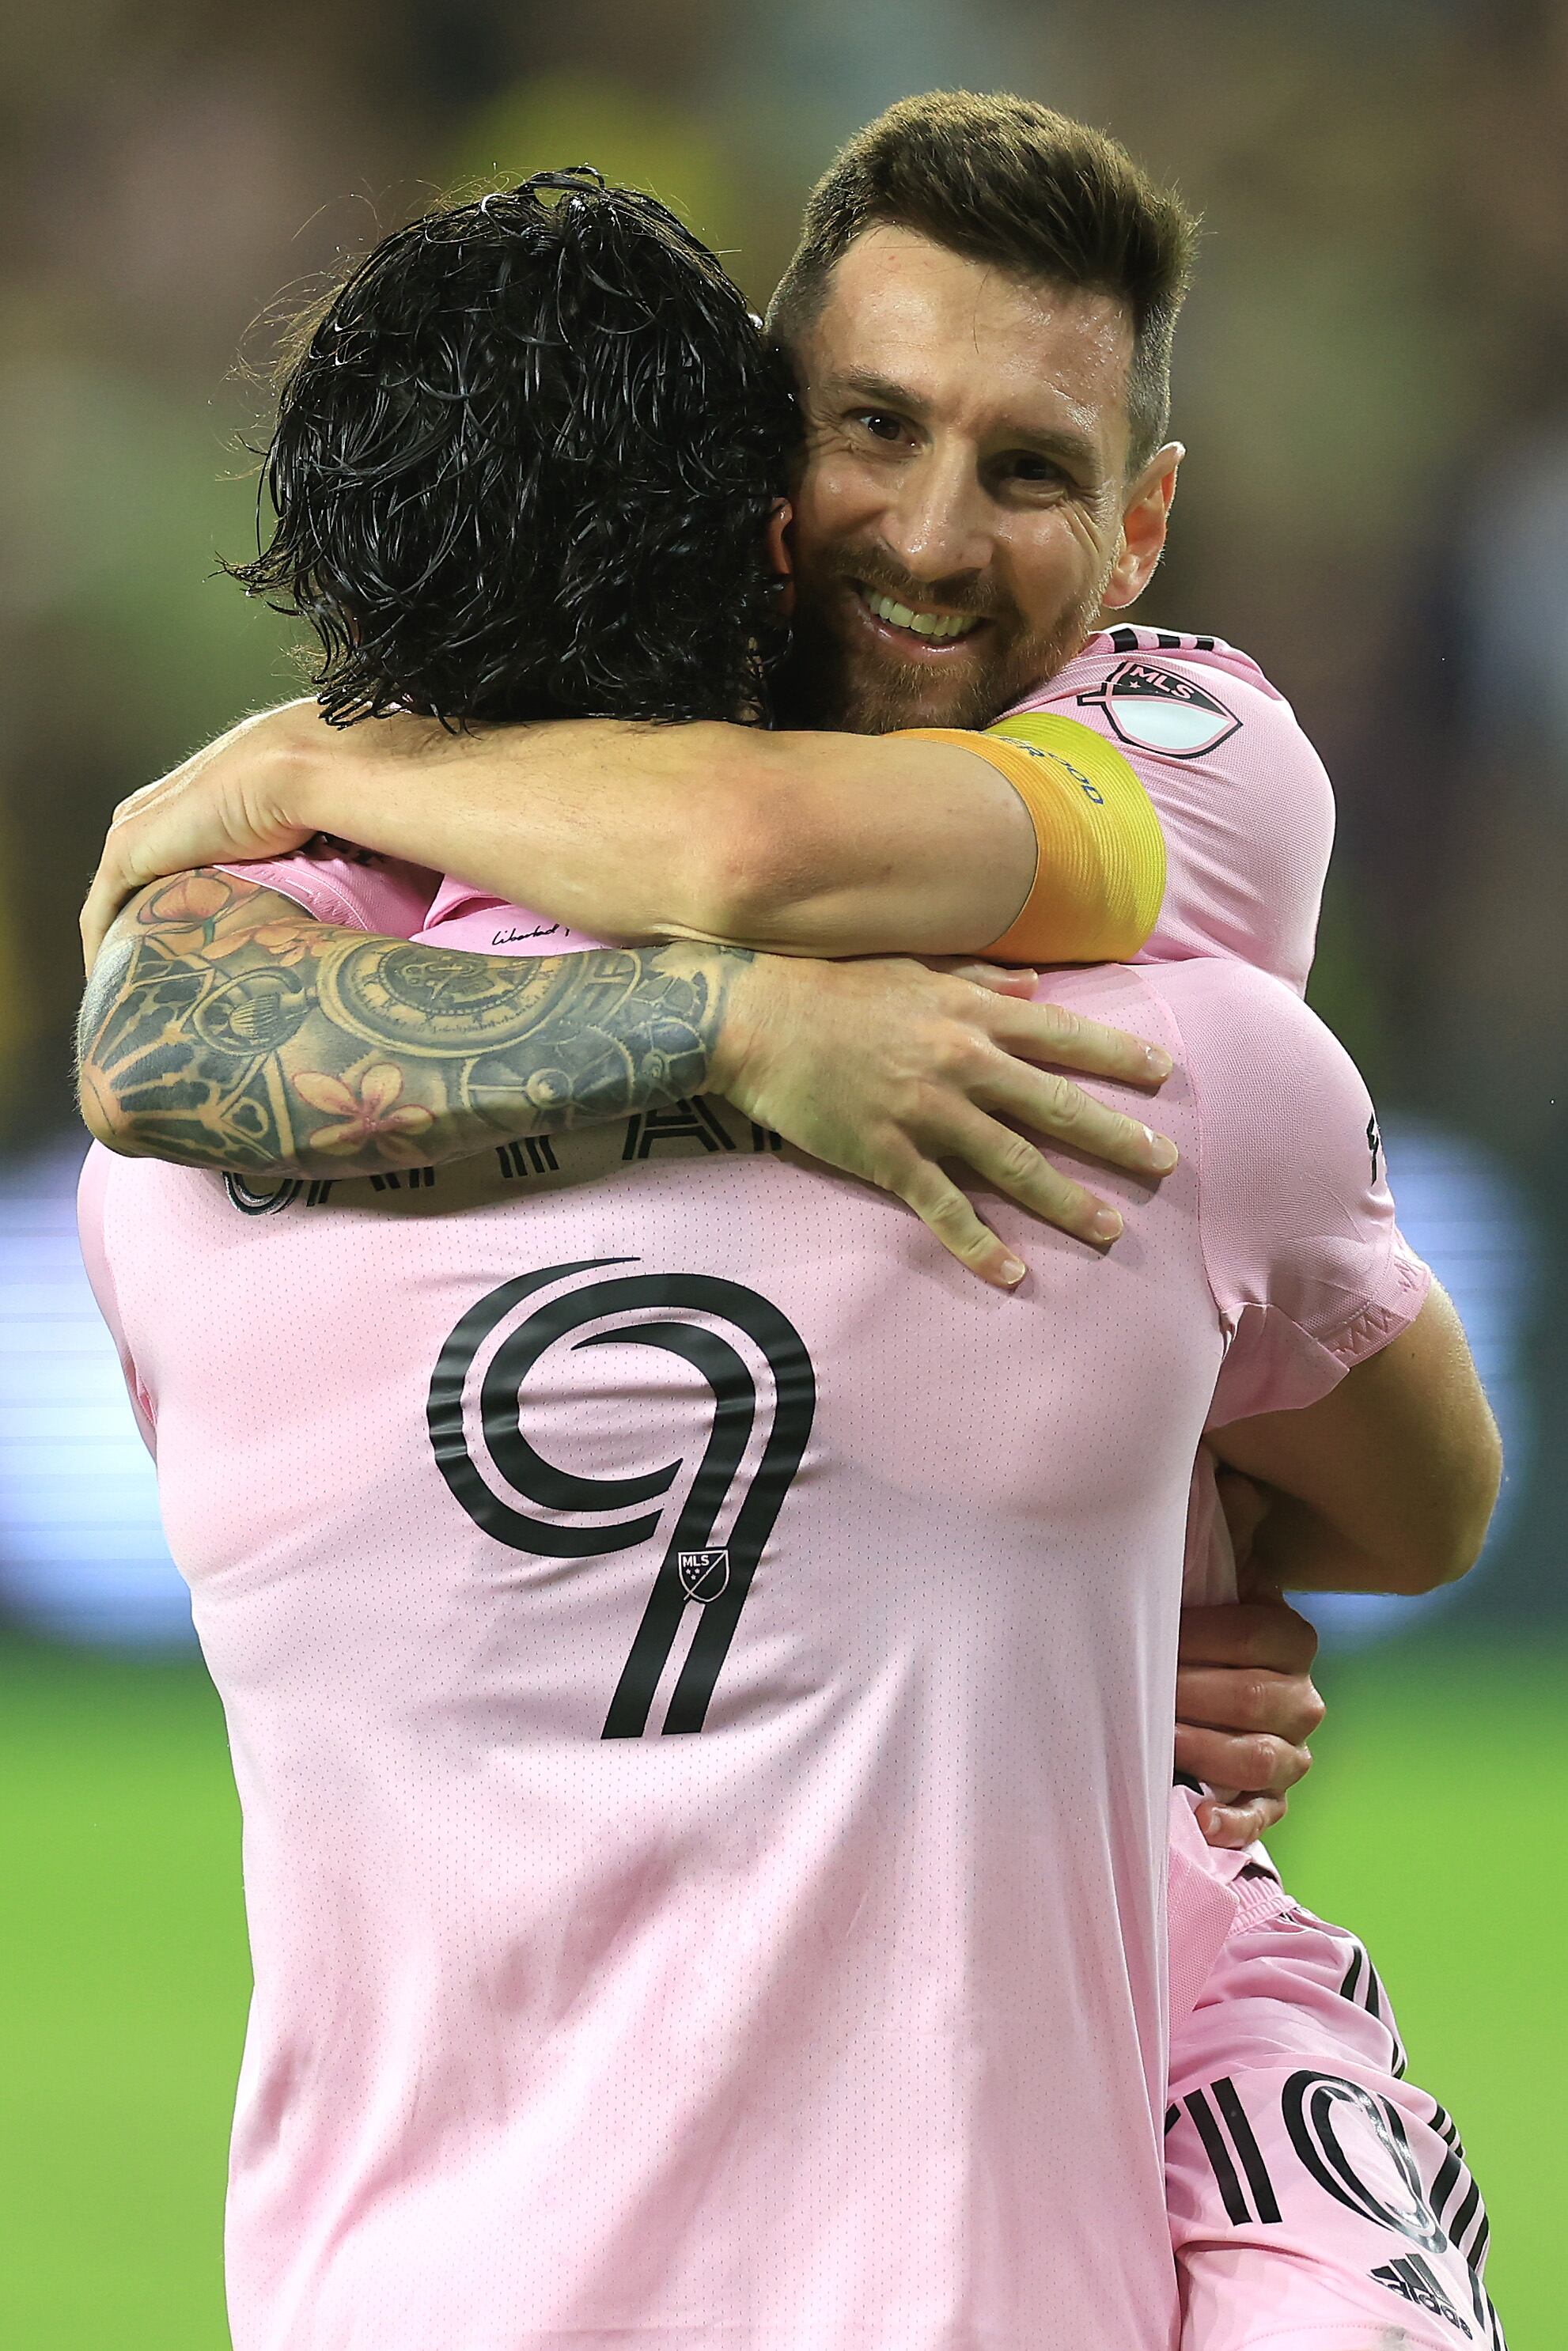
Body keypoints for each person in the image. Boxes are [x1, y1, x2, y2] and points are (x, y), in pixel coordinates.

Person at [75, 120, 1505, 2351]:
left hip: (1129, 2056)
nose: (934, 535)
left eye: (1028, 468)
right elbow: (147, 1014)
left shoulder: (1202, 755)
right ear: (762, 462)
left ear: (1144, 525)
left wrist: (320, 765)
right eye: (873, 428)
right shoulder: (1186, 1078)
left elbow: (727, 843)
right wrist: (741, 1040)